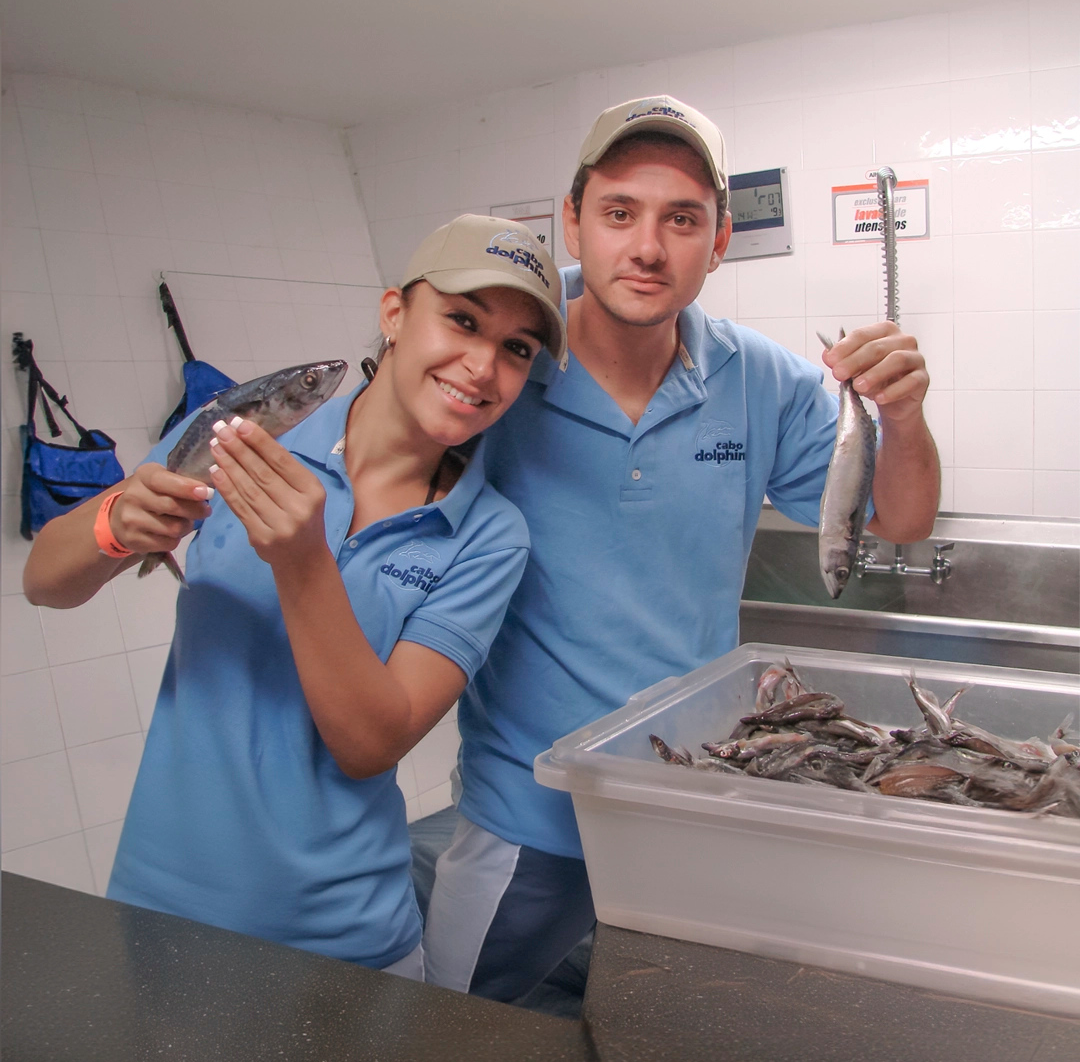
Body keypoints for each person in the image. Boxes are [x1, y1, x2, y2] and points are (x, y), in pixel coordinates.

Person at [423, 96, 939, 1000]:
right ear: (574, 222)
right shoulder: (502, 364)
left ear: (720, 241)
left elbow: (898, 522)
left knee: (673, 1030)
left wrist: (902, 413)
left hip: (690, 798)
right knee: (464, 1034)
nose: (648, 246)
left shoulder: (761, 379)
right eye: (620, 212)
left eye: (682, 219)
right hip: (527, 813)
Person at [24, 215, 566, 977]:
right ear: (394, 315)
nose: (481, 365)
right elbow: (45, 581)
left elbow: (372, 743)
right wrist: (118, 523)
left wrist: (303, 561)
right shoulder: (250, 434)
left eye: (516, 349)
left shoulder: (487, 536)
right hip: (163, 914)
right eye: (462, 320)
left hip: (349, 945)